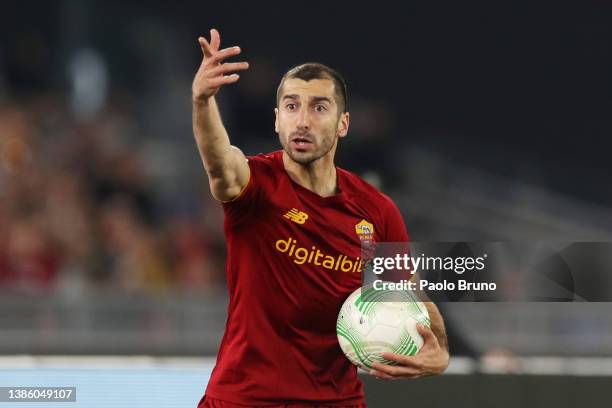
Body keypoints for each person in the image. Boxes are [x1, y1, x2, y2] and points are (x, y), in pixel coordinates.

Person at [192, 28, 449, 408]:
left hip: (336, 401)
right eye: (292, 107)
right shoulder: (256, 186)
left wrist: (440, 349)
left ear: (343, 123)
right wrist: (202, 102)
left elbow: (407, 291)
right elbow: (220, 164)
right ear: (277, 121)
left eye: (319, 107)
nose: (303, 121)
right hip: (244, 399)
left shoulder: (376, 210)